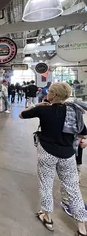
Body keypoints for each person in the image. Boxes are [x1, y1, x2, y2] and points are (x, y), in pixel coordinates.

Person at [19, 82, 87, 235]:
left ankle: (47, 217)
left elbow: (22, 114)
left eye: (49, 91)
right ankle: (82, 228)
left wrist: (37, 105)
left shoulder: (43, 109)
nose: (47, 93)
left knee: (45, 185)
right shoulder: (74, 111)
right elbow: (83, 132)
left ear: (53, 95)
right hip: (68, 155)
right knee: (73, 189)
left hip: (47, 153)